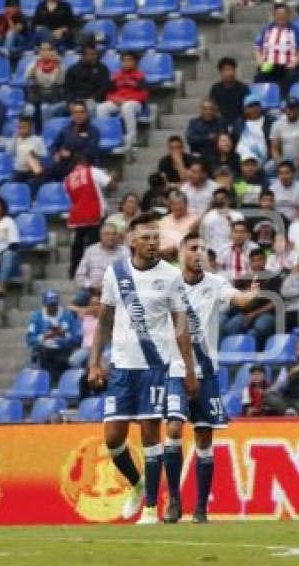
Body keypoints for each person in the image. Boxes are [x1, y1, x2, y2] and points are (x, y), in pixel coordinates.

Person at [87, 211, 197, 525]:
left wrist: (188, 369)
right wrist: (94, 361)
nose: (152, 243)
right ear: (132, 241)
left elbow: (181, 326)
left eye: (155, 238)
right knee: (112, 437)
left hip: (155, 365)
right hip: (122, 366)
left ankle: (150, 508)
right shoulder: (115, 273)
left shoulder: (171, 275)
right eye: (146, 238)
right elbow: (105, 320)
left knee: (151, 434)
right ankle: (136, 486)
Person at [162, 232, 260, 523]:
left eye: (203, 249)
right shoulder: (169, 287)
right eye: (193, 248)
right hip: (177, 370)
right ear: (181, 252)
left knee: (204, 438)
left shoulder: (215, 283)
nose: (198, 253)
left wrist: (252, 295)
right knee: (174, 428)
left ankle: (201, 508)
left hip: (207, 372)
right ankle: (175, 502)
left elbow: (239, 301)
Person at [64, 154, 114, 279]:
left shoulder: (68, 178)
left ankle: (74, 270)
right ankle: (93, 271)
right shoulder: (92, 171)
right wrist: (112, 177)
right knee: (94, 245)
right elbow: (110, 185)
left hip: (77, 216)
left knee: (78, 243)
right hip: (94, 212)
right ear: (85, 161)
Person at [27, 289, 82, 385]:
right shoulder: (37, 317)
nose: (52, 307)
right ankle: (51, 385)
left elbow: (77, 338)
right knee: (44, 355)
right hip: (44, 352)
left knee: (63, 360)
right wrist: (44, 337)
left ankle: (59, 385)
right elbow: (30, 339)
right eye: (50, 305)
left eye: (54, 304)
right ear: (45, 305)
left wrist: (63, 335)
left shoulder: (68, 316)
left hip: (64, 351)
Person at [97, 51, 147, 155]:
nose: (126, 63)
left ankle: (131, 141)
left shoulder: (140, 76)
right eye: (124, 61)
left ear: (135, 62)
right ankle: (107, 136)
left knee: (127, 107)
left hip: (135, 103)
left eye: (129, 60)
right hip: (118, 101)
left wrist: (127, 99)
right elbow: (108, 93)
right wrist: (114, 99)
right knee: (101, 108)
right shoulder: (116, 76)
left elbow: (144, 95)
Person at [254, 3, 299, 94]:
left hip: (288, 65)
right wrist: (260, 61)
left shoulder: (296, 30)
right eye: (278, 14)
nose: (281, 17)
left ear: (288, 15)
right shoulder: (266, 29)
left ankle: (284, 100)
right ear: (274, 15)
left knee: (291, 76)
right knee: (259, 76)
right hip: (269, 64)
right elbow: (257, 48)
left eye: (283, 14)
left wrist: (295, 63)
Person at [73, 222, 127, 306]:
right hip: (92, 290)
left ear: (118, 236)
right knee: (78, 299)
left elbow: (129, 275)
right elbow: (79, 275)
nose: (111, 237)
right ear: (101, 236)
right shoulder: (90, 251)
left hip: (117, 289)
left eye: (114, 234)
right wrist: (91, 286)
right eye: (107, 234)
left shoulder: (125, 252)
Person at [50, 100, 101, 179]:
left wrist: (71, 154)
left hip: (84, 164)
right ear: (72, 115)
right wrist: (56, 153)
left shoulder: (93, 131)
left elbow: (91, 150)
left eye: (81, 112)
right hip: (65, 164)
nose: (78, 115)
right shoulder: (65, 130)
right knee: (48, 171)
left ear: (86, 114)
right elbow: (54, 145)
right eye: (75, 113)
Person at [25, 41, 66, 132]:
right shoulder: (34, 63)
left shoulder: (59, 64)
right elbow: (27, 78)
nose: (45, 52)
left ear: (53, 51)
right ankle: (30, 134)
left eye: (48, 49)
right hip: (37, 96)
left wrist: (58, 64)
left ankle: (46, 134)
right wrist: (36, 64)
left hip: (53, 97)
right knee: (28, 109)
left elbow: (60, 82)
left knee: (45, 108)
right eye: (42, 50)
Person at [268, 97, 299, 176]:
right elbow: (274, 147)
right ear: (285, 109)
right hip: (284, 158)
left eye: (294, 108)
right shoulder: (277, 124)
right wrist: (278, 161)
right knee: (268, 168)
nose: (292, 111)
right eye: (289, 108)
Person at [63, 42, 110, 112]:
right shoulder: (73, 69)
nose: (93, 57)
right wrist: (70, 101)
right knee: (53, 110)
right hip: (76, 100)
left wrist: (92, 98)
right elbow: (68, 88)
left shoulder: (102, 69)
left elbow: (103, 88)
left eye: (95, 54)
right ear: (83, 55)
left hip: (94, 101)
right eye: (90, 54)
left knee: (89, 107)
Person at [199, 187, 244, 254]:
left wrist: (230, 221)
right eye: (217, 199)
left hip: (232, 252)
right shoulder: (208, 217)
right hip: (212, 252)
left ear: (229, 200)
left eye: (222, 199)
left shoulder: (238, 216)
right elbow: (203, 236)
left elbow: (242, 236)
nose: (220, 201)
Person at [209, 57, 249, 126]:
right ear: (221, 72)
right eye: (226, 70)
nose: (230, 73)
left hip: (240, 120)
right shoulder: (215, 88)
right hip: (221, 120)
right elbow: (213, 106)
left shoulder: (243, 88)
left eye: (232, 70)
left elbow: (247, 107)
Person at [8, 115, 46, 188]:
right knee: (11, 185)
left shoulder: (37, 140)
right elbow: (10, 152)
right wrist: (15, 137)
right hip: (18, 170)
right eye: (19, 127)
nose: (21, 130)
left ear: (31, 127)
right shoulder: (16, 139)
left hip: (31, 171)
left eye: (23, 127)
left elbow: (44, 157)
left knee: (33, 184)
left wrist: (35, 155)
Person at [158, 190, 198, 259]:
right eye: (174, 204)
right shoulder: (164, 220)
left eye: (180, 203)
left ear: (186, 204)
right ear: (170, 206)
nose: (177, 207)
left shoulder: (195, 220)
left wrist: (174, 248)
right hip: (161, 256)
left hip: (184, 257)